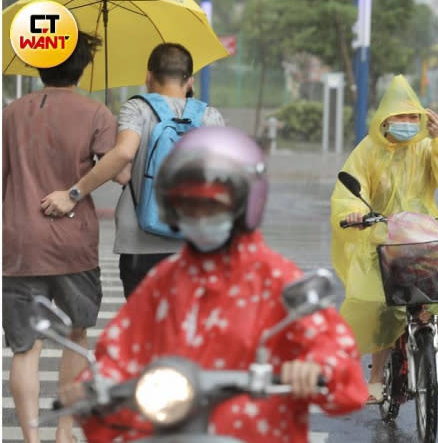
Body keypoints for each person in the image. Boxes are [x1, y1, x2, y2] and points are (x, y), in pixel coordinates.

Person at [58, 127, 368, 442]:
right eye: (189, 205)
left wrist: (315, 368)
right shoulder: (164, 283)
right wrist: (97, 387)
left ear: (244, 204)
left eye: (212, 206)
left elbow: (340, 364)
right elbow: (119, 354)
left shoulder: (277, 280)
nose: (200, 216)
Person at [40, 43, 226, 298]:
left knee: (144, 329)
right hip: (195, 241)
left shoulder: (137, 108)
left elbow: (124, 159)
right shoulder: (210, 116)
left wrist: (74, 194)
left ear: (148, 76)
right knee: (187, 328)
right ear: (190, 81)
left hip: (140, 240)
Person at [2, 32, 115, 443]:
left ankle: (31, 439)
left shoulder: (11, 113)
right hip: (74, 245)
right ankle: (64, 432)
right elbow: (119, 172)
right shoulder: (96, 112)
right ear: (83, 67)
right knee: (76, 335)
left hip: (19, 244)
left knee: (24, 348)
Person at [330, 75, 438, 404]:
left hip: (423, 232)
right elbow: (351, 191)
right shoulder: (368, 151)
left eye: (411, 117)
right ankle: (376, 377)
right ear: (384, 120)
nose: (406, 124)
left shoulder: (427, 146)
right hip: (382, 236)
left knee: (434, 275)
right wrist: (354, 213)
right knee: (383, 304)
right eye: (399, 117)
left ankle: (435, 323)